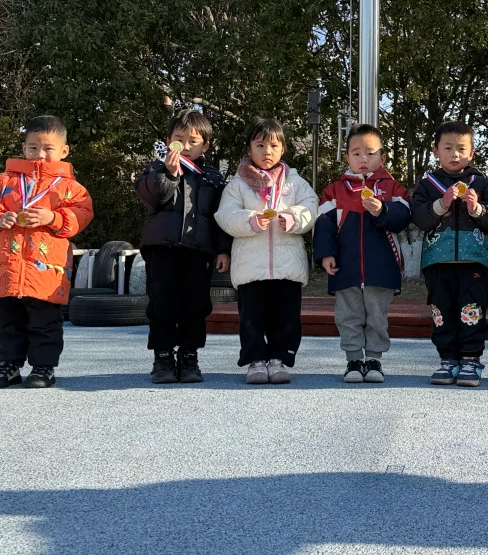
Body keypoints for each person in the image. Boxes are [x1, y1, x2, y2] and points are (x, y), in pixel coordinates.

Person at [0, 115, 94, 389]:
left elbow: (82, 213)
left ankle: (43, 368)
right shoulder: (3, 181)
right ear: (23, 148)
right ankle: (7, 367)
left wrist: (53, 217)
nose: (40, 154)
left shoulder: (71, 188)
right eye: (33, 147)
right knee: (5, 320)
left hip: (45, 270)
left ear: (64, 150)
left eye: (48, 148)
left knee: (45, 322)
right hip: (4, 268)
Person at [215, 118, 317, 385]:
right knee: (251, 318)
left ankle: (279, 359)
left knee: (287, 318)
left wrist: (293, 219)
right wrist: (250, 220)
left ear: (283, 149)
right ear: (249, 149)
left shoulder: (295, 183)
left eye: (273, 145)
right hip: (250, 267)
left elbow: (311, 207)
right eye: (260, 145)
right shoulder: (238, 184)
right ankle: (255, 360)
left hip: (288, 266)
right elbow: (225, 215)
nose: (267, 151)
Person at [135, 110, 232, 384]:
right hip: (162, 248)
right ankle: (163, 358)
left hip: (198, 251)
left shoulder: (213, 177)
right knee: (161, 304)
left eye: (193, 141)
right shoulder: (155, 170)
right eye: (180, 139)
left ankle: (189, 356)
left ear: (205, 145)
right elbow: (153, 198)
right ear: (169, 141)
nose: (186, 146)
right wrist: (169, 174)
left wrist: (223, 249)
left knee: (196, 305)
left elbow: (220, 216)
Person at [411, 121, 488, 387]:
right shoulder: (427, 184)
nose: (455, 154)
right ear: (436, 151)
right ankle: (447, 360)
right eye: (448, 148)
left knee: (472, 310)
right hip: (437, 262)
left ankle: (471, 360)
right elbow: (419, 217)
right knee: (441, 311)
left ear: (471, 153)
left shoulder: (481, 183)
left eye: (461, 149)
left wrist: (477, 209)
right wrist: (441, 203)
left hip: (473, 262)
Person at [314, 123, 412, 383]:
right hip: (345, 267)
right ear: (347, 157)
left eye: (370, 153)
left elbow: (404, 217)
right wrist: (326, 254)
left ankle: (375, 360)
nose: (363, 158)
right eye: (356, 153)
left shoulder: (394, 189)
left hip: (382, 268)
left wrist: (382, 210)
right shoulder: (335, 190)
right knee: (348, 316)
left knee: (377, 317)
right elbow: (323, 224)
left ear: (382, 157)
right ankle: (354, 360)